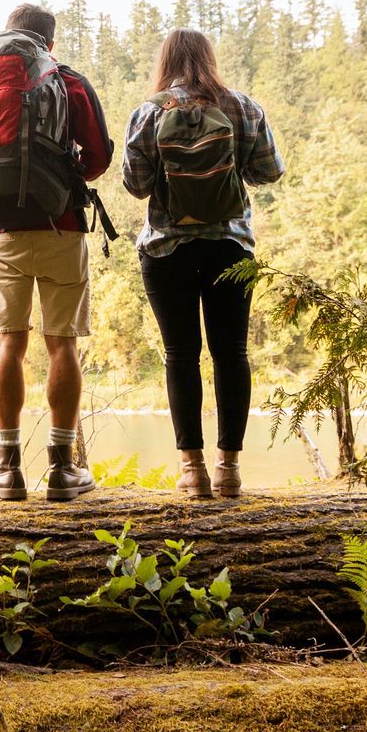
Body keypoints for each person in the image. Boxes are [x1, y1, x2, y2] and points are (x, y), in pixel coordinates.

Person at [0, 3, 114, 502]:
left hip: (0, 232)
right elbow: (100, 156)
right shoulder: (68, 81)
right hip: (61, 226)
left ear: (8, 34)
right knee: (61, 343)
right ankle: (64, 470)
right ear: (51, 42)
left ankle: (6, 467)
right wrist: (61, 181)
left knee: (9, 345)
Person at [121, 29, 283, 498]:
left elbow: (135, 184)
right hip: (230, 246)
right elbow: (268, 172)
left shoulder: (149, 111)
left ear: (165, 61)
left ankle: (192, 471)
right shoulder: (243, 106)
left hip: (165, 247)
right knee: (231, 354)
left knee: (180, 356)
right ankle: (229, 469)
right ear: (209, 59)